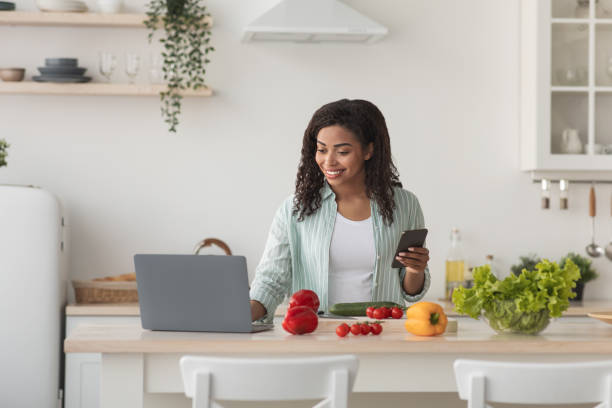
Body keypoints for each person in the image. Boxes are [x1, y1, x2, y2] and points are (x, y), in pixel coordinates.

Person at [249, 99, 430, 322]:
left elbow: (410, 291)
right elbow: (271, 280)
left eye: (342, 151)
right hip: (316, 334)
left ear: (369, 150)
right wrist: (243, 314)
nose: (328, 161)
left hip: (384, 332)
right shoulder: (294, 209)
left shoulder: (405, 205)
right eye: (321, 150)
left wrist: (415, 270)